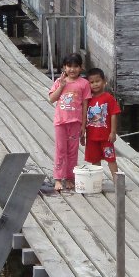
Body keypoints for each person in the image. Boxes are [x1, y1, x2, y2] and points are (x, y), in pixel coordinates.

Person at [48, 53, 91, 192]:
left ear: (81, 67)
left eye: (75, 66)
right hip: (61, 122)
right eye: (69, 66)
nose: (72, 69)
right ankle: (58, 178)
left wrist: (84, 125)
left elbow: (85, 105)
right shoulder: (59, 82)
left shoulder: (84, 84)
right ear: (64, 68)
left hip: (75, 122)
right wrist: (61, 86)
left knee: (73, 151)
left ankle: (70, 177)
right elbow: (52, 99)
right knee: (61, 150)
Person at [85, 68, 121, 182]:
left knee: (111, 159)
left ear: (104, 81)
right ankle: (96, 182)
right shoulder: (87, 99)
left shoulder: (108, 98)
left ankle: (117, 181)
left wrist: (113, 132)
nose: (95, 84)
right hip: (91, 137)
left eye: (97, 81)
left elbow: (114, 114)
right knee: (94, 160)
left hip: (106, 137)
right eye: (92, 82)